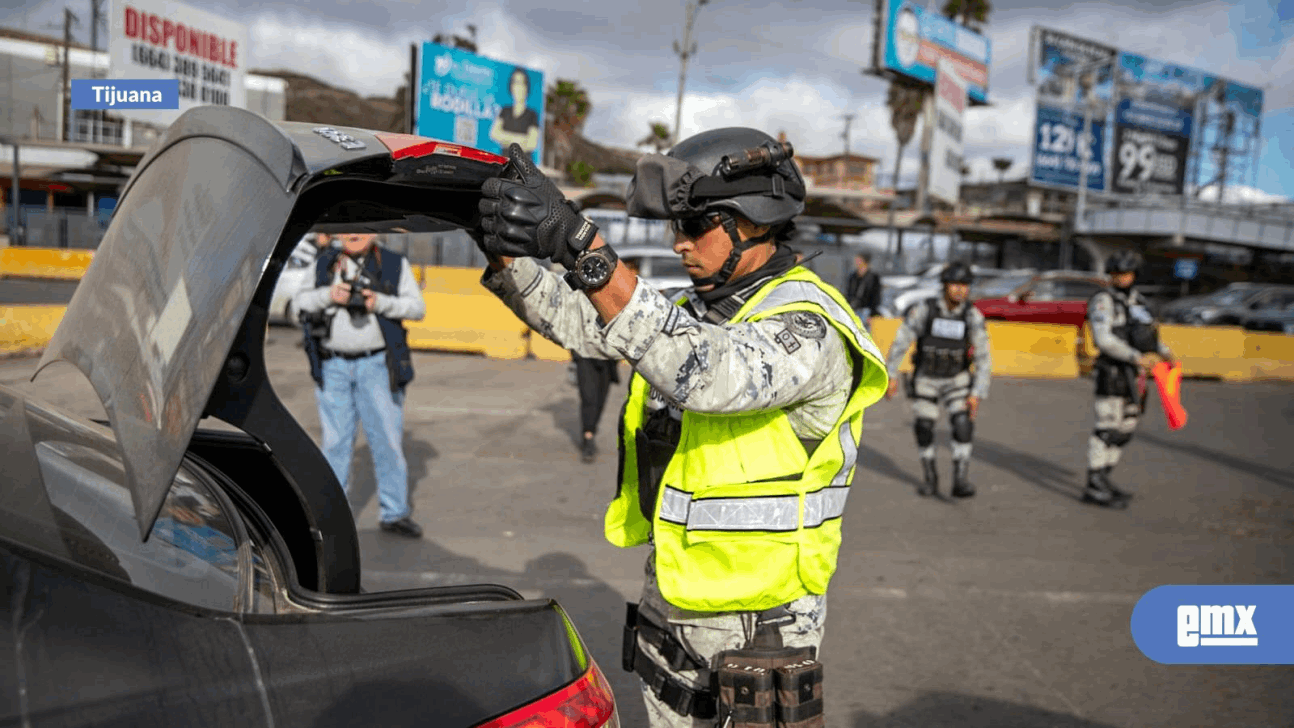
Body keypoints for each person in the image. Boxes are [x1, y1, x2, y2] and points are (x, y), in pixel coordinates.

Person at [474, 129, 887, 727]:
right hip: (675, 594)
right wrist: (500, 252)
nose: (679, 242)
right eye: (677, 226)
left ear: (749, 223)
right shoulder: (696, 310)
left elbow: (708, 371)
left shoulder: (808, 323)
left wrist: (583, 245)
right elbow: (579, 319)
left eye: (695, 225)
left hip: (758, 622)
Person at [293, 232, 426, 538]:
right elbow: (300, 301)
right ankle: (333, 518)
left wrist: (378, 302)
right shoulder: (323, 262)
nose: (355, 233)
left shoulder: (393, 263)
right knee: (335, 444)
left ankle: (394, 513)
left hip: (377, 366)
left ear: (377, 231)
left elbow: (417, 308)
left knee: (388, 442)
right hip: (333, 365)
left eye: (364, 226)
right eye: (350, 226)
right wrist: (330, 295)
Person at [883, 262, 991, 498]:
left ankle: (960, 479)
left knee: (962, 424)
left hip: (957, 380)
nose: (960, 290)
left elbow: (983, 356)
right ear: (944, 286)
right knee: (924, 426)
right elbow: (902, 340)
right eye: (955, 284)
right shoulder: (925, 309)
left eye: (965, 285)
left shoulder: (971, 315)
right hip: (926, 378)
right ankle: (930, 477)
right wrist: (890, 375)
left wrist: (977, 393)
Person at [1083, 250, 1174, 507]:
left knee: (1127, 428)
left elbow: (1149, 335)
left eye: (1125, 274)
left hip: (1136, 375)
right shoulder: (1103, 301)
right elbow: (1103, 339)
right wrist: (1136, 357)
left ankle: (1105, 475)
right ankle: (1094, 481)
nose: (1121, 278)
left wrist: (1165, 353)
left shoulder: (1139, 302)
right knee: (1106, 426)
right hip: (1112, 371)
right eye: (1116, 274)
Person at [573, 259, 639, 463]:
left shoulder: (619, 295)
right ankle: (588, 437)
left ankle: (591, 429)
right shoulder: (579, 295)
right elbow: (571, 322)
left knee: (600, 398)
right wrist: (574, 351)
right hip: (585, 353)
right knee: (589, 397)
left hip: (608, 357)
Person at [489, 67, 540, 156]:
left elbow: (532, 144)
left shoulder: (532, 115)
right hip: (504, 163)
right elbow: (494, 134)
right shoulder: (505, 111)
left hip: (523, 166)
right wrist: (521, 140)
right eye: (516, 83)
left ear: (526, 87)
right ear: (511, 86)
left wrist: (505, 139)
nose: (519, 87)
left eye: (522, 83)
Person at [845, 251, 883, 326]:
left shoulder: (873, 277)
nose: (855, 262)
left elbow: (876, 297)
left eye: (858, 260)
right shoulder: (852, 277)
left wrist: (872, 315)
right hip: (853, 310)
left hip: (867, 312)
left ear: (865, 262)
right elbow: (848, 294)